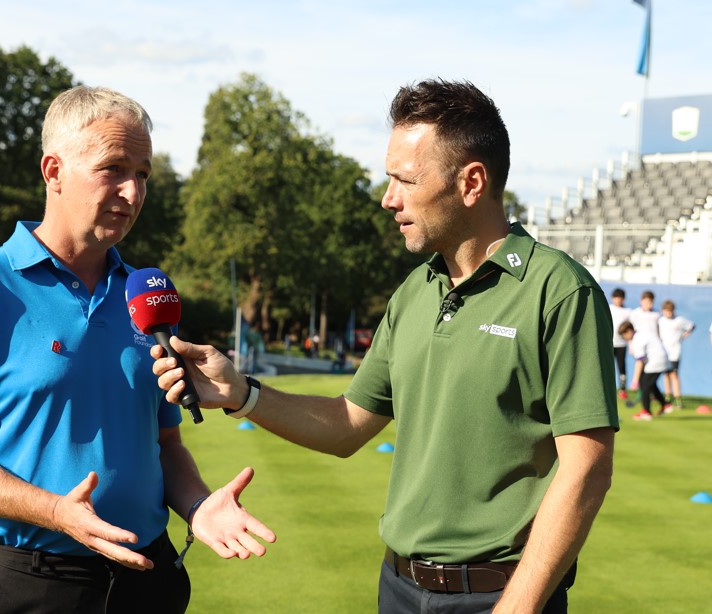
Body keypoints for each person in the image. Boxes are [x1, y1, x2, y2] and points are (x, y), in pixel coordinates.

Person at [152, 79, 617, 613]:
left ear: (471, 182)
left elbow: (587, 466)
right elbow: (349, 423)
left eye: (406, 179)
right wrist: (242, 393)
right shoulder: (415, 290)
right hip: (397, 589)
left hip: (500, 596)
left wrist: (519, 606)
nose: (387, 197)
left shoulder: (558, 291)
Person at [0, 86, 275, 614]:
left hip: (148, 579)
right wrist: (56, 511)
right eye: (114, 169)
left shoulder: (147, 296)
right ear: (53, 171)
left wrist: (198, 506)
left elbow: (164, 445)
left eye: (143, 174)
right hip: (31, 582)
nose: (132, 191)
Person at [619, 320, 672, 420]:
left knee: (644, 385)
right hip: (660, 360)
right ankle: (665, 404)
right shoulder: (639, 335)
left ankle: (646, 412)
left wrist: (635, 381)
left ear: (629, 331)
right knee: (650, 384)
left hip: (656, 361)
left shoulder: (637, 340)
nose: (624, 338)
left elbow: (640, 362)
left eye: (624, 335)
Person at [658, 299, 694, 409]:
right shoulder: (661, 321)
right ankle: (668, 397)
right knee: (666, 374)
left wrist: (684, 335)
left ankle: (678, 399)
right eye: (666, 311)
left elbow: (692, 326)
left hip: (675, 352)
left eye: (670, 311)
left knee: (674, 374)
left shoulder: (679, 320)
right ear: (663, 311)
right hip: (664, 352)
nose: (669, 313)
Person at [608, 288, 632, 399]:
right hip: (609, 342)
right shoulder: (609, 308)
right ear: (613, 298)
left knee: (621, 366)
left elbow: (630, 329)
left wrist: (630, 342)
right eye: (616, 298)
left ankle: (622, 390)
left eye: (620, 298)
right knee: (608, 367)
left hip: (622, 344)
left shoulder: (628, 312)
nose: (618, 300)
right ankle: (608, 388)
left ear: (623, 299)